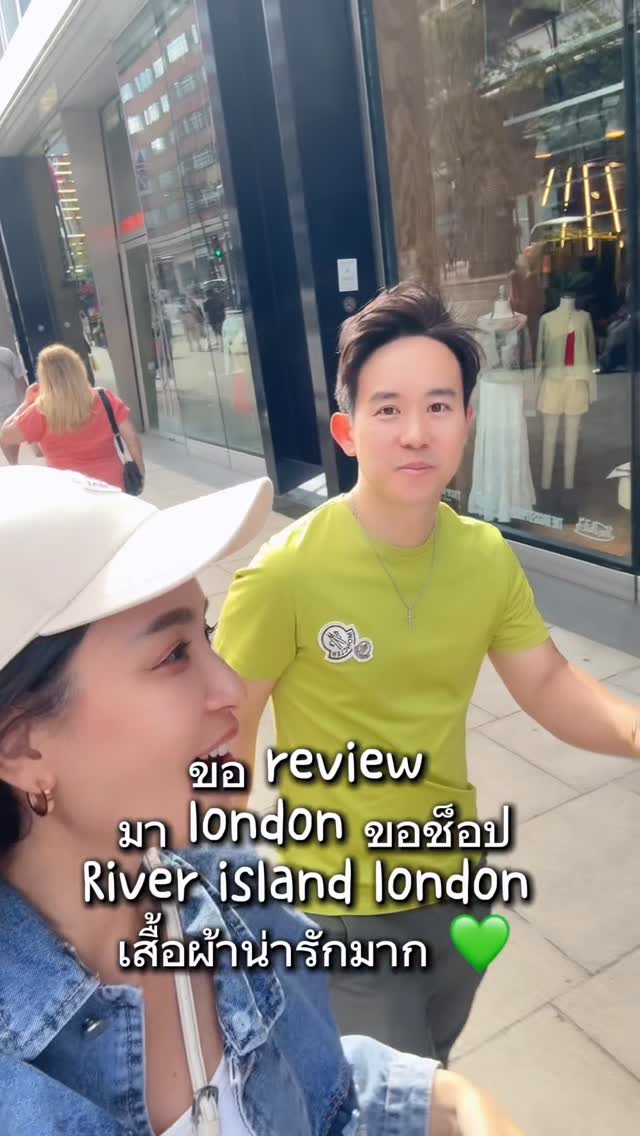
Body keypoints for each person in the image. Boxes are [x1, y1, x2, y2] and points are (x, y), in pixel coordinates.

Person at [0, 464, 524, 1136]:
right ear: (23, 748)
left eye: (206, 635)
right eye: (173, 655)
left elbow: (310, 1082)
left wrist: (444, 1101)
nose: (231, 687)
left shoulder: (231, 895)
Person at [214, 281, 640, 1063]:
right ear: (347, 430)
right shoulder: (283, 575)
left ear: (467, 423)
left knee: (435, 1054)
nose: (416, 433)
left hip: (454, 879)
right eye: (388, 409)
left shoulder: (485, 556)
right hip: (341, 903)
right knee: (403, 1100)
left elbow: (548, 682)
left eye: (439, 406)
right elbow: (224, 739)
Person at [0, 343, 144, 491]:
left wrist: (25, 403)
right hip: (112, 486)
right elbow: (131, 438)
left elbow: (5, 435)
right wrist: (140, 473)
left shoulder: (40, 411)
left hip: (70, 490)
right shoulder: (105, 398)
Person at [0, 343, 27, 465]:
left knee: (7, 436)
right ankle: (13, 463)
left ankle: (13, 463)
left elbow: (20, 378)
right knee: (6, 436)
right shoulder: (5, 352)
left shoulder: (5, 353)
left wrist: (28, 398)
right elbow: (20, 378)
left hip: (12, 403)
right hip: (13, 402)